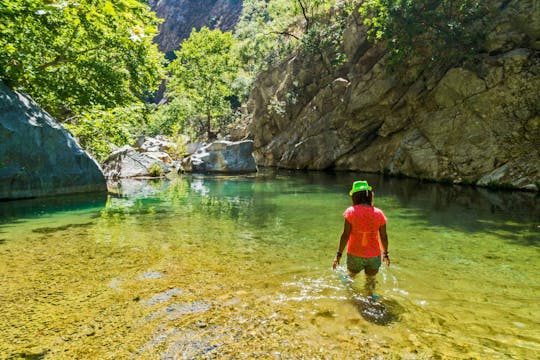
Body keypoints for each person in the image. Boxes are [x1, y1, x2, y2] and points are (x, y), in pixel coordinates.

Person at [332, 180, 390, 296]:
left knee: (350, 279)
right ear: (370, 196)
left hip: (355, 254)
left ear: (355, 196)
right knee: (371, 282)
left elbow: (345, 235)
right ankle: (372, 299)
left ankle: (351, 301)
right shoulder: (379, 213)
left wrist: (338, 254)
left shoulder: (351, 212)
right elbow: (383, 237)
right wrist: (386, 254)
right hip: (374, 256)